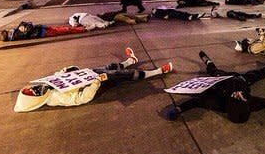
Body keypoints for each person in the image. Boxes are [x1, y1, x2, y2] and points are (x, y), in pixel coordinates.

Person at [14, 47, 173, 112]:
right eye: (34, 93)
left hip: (88, 76)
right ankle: (157, 72)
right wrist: (97, 82)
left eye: (32, 88)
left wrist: (65, 71)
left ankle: (130, 61)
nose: (36, 89)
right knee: (122, 75)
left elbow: (59, 77)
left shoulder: (47, 86)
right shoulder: (55, 98)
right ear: (36, 100)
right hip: (93, 84)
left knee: (109, 66)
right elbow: (81, 98)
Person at [166, 51, 265, 124]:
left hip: (222, 79)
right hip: (243, 80)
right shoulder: (251, 103)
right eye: (241, 98)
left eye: (234, 97)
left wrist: (178, 109)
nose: (237, 94)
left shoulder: (217, 102)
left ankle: (205, 58)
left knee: (212, 69)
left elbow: (196, 102)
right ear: (246, 102)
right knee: (261, 73)